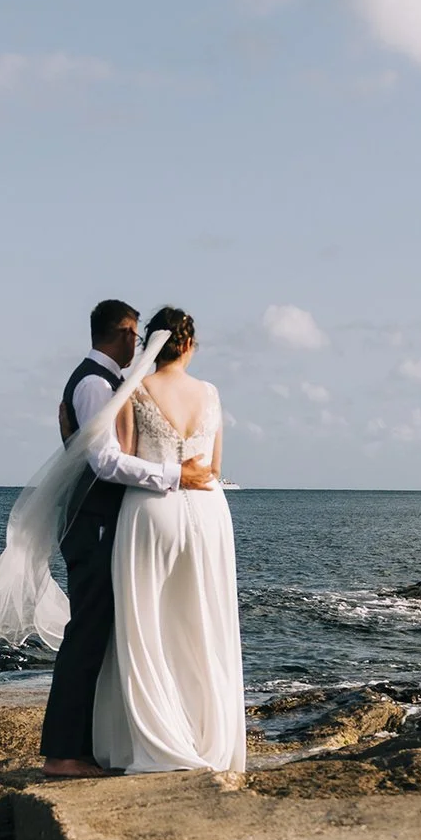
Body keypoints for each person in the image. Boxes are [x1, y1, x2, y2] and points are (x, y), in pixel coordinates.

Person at [40, 300, 216, 777]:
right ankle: (62, 754)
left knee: (105, 634)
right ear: (119, 334)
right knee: (88, 634)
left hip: (105, 520)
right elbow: (105, 462)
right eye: (135, 337)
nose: (139, 347)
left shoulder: (106, 383)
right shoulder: (96, 384)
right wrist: (174, 475)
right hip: (94, 522)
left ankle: (90, 746)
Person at [90, 305, 245, 773]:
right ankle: (206, 738)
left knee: (146, 625)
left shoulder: (133, 389)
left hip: (152, 510)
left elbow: (125, 457)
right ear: (191, 345)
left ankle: (159, 737)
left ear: (150, 345)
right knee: (202, 624)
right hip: (208, 511)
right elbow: (213, 467)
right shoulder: (211, 393)